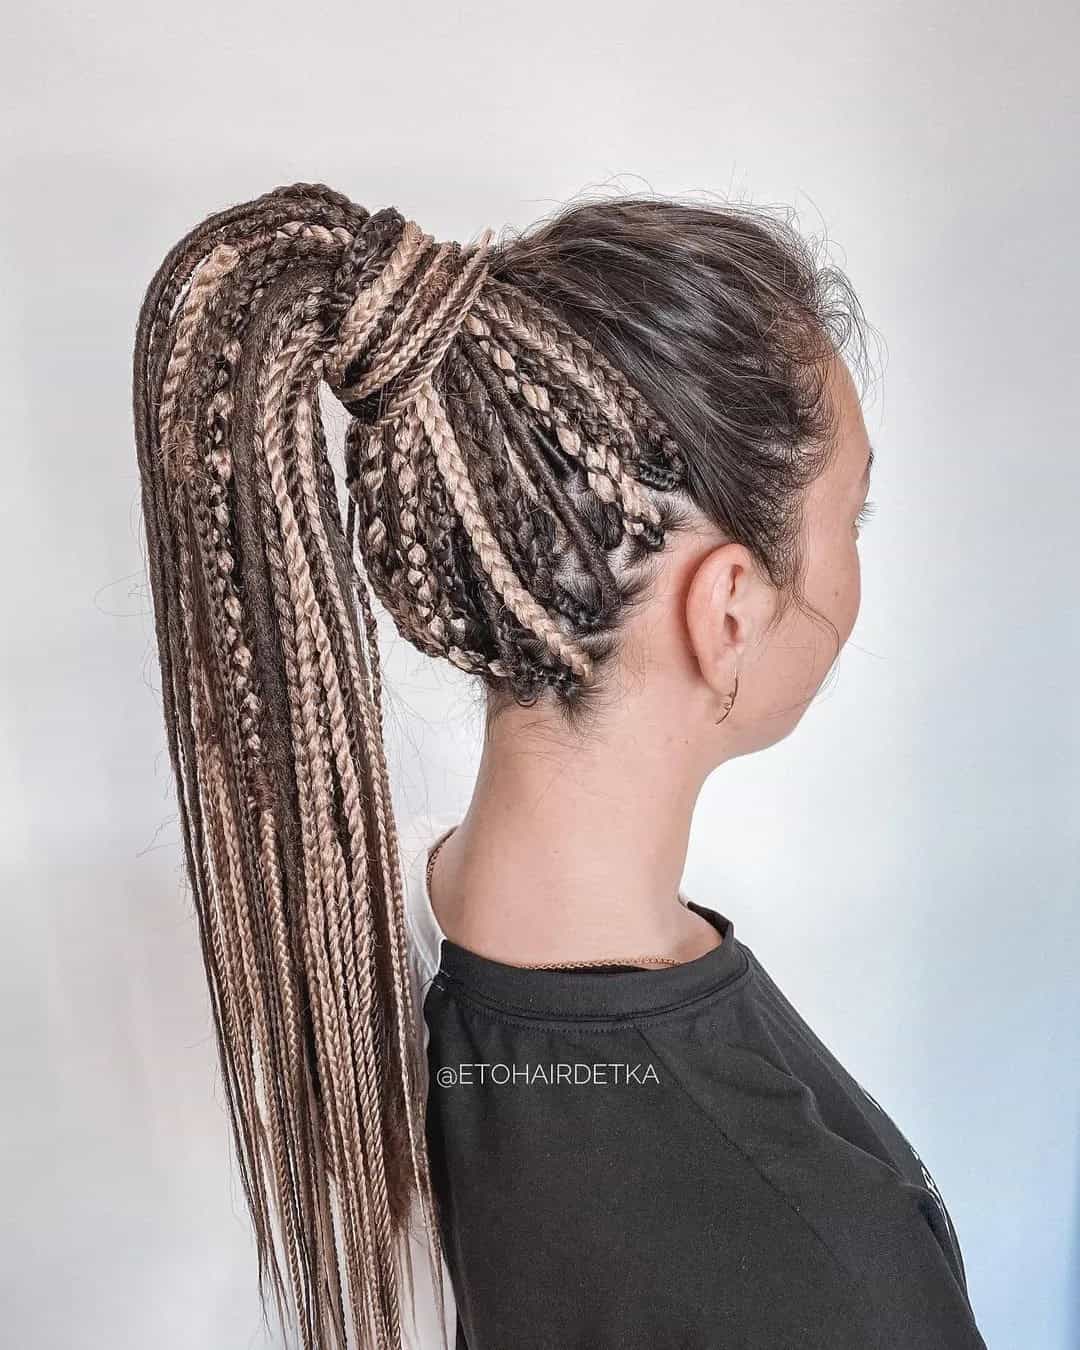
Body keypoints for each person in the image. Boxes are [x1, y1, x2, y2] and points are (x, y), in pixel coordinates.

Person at [132, 182, 988, 1349]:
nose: (853, 570)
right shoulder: (826, 1269)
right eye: (856, 514)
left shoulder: (358, 959)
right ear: (728, 608)